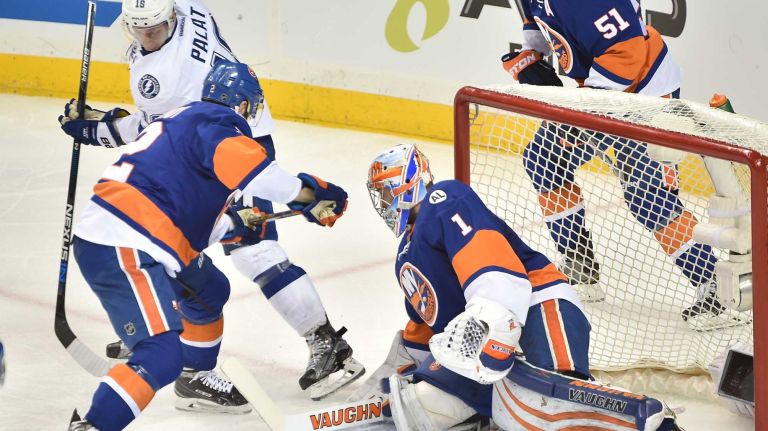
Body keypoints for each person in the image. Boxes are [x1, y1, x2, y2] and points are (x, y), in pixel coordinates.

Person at [57, 0, 362, 405]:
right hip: (225, 130)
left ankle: (329, 348)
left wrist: (101, 129)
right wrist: (106, 120)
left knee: (253, 249)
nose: (147, 36)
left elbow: (159, 131)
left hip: (227, 144)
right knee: (167, 235)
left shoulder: (160, 77)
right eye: (138, 29)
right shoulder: (187, 7)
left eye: (155, 28)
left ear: (171, 17)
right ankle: (153, 324)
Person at [363, 143, 682, 430]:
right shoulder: (406, 255)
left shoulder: (443, 199)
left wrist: (487, 322)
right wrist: (386, 382)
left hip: (537, 302)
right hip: (483, 345)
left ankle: (651, 422)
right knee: (423, 405)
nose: (384, 203)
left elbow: (493, 268)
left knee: (554, 407)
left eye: (386, 192)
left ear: (403, 183)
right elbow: (424, 325)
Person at [501, 0, 722, 324]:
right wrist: (530, 56)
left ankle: (716, 289)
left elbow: (628, 52)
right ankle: (580, 264)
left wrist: (584, 115)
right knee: (544, 158)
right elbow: (539, 21)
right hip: (598, 98)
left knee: (649, 199)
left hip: (648, 100)